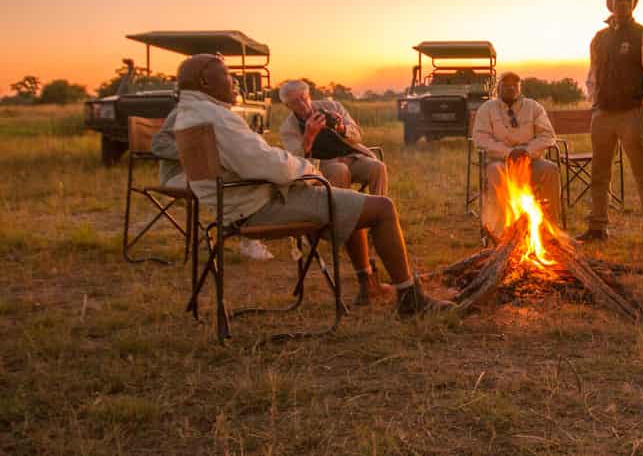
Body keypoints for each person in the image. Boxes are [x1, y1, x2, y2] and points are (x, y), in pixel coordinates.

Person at [172, 54, 453, 315]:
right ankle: (411, 299)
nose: (234, 81)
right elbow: (272, 165)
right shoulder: (217, 117)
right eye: (226, 74)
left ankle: (368, 284)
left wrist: (337, 128)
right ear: (205, 82)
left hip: (238, 204)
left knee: (350, 202)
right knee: (382, 208)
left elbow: (352, 136)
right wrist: (308, 164)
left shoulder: (192, 114)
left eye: (304, 97)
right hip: (260, 205)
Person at [578, 0, 643, 249]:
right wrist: (595, 102)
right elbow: (593, 74)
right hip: (603, 114)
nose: (623, 4)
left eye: (628, 1)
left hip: (632, 114)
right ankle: (597, 227)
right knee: (599, 173)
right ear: (611, 1)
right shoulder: (599, 38)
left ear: (633, 4)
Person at [153, 110, 275, 260]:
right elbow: (158, 144)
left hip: (205, 173)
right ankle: (245, 236)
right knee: (233, 182)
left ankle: (245, 232)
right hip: (177, 175)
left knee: (249, 177)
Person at [472, 72, 560, 238]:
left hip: (531, 160)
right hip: (500, 161)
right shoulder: (487, 109)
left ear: (520, 87)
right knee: (496, 172)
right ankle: (501, 231)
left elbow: (548, 136)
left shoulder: (533, 107)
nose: (510, 86)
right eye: (506, 83)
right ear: (498, 87)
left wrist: (527, 151)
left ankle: (549, 229)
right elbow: (480, 138)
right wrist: (508, 153)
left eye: (515, 83)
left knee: (550, 169)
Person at [278, 80, 388, 196]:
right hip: (322, 165)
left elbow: (358, 135)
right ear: (288, 106)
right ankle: (345, 212)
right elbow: (297, 160)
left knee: (378, 167)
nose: (302, 105)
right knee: (340, 170)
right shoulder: (288, 129)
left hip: (351, 157)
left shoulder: (333, 106)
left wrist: (341, 128)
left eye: (303, 98)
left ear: (309, 96)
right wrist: (309, 136)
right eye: (295, 102)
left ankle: (378, 207)